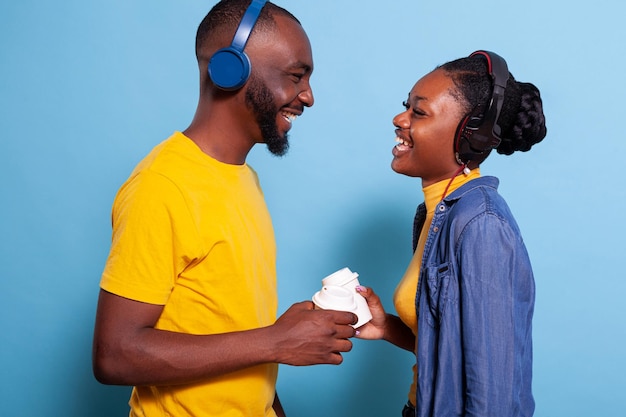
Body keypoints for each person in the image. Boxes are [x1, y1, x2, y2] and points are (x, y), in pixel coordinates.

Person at [91, 1, 358, 416]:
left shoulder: (244, 179)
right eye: (296, 75)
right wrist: (277, 340)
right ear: (230, 69)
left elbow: (244, 347)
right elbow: (114, 354)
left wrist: (274, 356)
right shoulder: (162, 185)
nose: (308, 96)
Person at [356, 50, 547, 416]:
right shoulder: (436, 213)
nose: (400, 119)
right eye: (406, 106)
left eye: (419, 112)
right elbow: (450, 348)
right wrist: (386, 328)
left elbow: (495, 395)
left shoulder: (481, 225)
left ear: (469, 135)